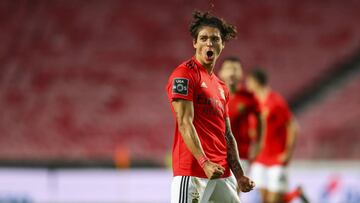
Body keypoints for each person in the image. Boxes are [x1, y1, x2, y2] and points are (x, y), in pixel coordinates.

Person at [166, 11, 255, 203]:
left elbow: (227, 134)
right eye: (203, 38)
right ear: (195, 43)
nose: (209, 43)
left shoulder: (221, 86)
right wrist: (204, 162)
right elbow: (184, 122)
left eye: (215, 39)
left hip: (222, 173)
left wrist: (239, 175)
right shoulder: (184, 75)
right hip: (194, 171)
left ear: (222, 44)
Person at [246, 69, 307, 203]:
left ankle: (296, 193)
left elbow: (292, 126)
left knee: (274, 200)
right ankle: (296, 193)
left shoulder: (275, 101)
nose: (247, 85)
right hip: (260, 158)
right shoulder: (253, 102)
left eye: (249, 81)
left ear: (256, 82)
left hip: (276, 158)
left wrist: (288, 152)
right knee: (266, 200)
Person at [218, 57, 264, 173]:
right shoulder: (212, 94)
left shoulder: (248, 97)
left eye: (235, 69)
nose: (232, 73)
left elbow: (260, 119)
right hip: (216, 152)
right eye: (228, 69)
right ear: (221, 73)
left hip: (240, 152)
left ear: (241, 74)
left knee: (235, 188)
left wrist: (258, 143)